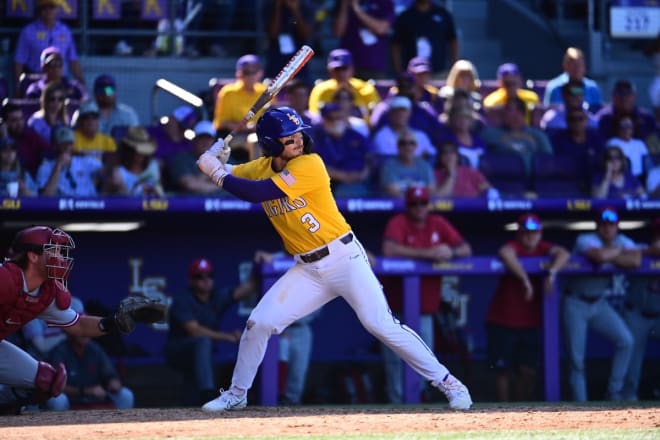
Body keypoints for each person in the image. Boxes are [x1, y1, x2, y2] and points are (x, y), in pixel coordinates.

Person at [195, 106, 472, 411]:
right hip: (307, 268)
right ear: (271, 143)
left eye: (298, 134)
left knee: (380, 323)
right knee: (259, 323)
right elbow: (235, 174)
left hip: (343, 258)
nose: (298, 141)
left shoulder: (310, 164)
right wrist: (216, 159)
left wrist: (216, 171)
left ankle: (449, 383)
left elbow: (253, 192)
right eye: (289, 138)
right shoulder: (261, 166)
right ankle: (237, 393)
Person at [0, 226, 155, 414]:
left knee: (47, 381)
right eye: (53, 251)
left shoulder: (46, 292)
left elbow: (79, 325)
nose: (61, 257)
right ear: (32, 256)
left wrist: (116, 321)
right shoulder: (5, 279)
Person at [379, 185, 472, 404]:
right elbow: (389, 250)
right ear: (407, 205)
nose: (419, 208)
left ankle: (419, 402)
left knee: (424, 358)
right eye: (414, 203)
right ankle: (396, 404)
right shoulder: (398, 222)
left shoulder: (438, 223)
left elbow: (466, 249)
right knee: (394, 361)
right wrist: (427, 254)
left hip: (425, 309)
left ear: (428, 204)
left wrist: (451, 251)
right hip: (395, 310)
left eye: (423, 203)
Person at [485, 213, 570, 402]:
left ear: (540, 233)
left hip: (530, 322)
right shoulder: (514, 247)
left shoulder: (544, 248)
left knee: (529, 372)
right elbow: (505, 253)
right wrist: (524, 279)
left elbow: (564, 253)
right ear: (519, 233)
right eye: (525, 233)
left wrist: (552, 272)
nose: (530, 237)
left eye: (534, 232)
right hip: (502, 319)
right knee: (502, 371)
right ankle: (502, 413)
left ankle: (521, 410)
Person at [563, 207, 638, 401]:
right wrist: (619, 254)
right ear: (597, 226)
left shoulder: (622, 241)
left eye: (611, 225)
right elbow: (599, 256)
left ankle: (614, 392)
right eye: (603, 224)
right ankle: (581, 404)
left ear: (617, 226)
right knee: (577, 360)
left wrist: (614, 253)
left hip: (599, 303)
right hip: (576, 302)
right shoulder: (585, 239)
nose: (607, 228)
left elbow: (636, 260)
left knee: (626, 340)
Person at [164, 257, 257, 406]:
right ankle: (207, 394)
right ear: (191, 280)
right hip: (178, 351)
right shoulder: (183, 299)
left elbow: (248, 288)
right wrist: (228, 337)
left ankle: (203, 398)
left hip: (203, 354)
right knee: (203, 342)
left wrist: (258, 266)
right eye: (200, 277)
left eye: (209, 275)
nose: (205, 280)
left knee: (204, 349)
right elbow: (194, 331)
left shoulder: (217, 296)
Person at [45, 299, 134, 411]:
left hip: (95, 397)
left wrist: (113, 382)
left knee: (125, 395)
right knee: (57, 399)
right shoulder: (60, 351)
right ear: (70, 331)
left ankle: (120, 427)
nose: (84, 334)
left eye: (87, 329)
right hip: (71, 399)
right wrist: (86, 391)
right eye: (81, 329)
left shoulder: (95, 349)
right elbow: (55, 387)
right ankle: (57, 428)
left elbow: (110, 374)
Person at [621, 218, 660, 400]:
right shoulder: (639, 248)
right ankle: (628, 399)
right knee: (632, 364)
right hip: (637, 314)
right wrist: (651, 251)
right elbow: (628, 255)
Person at [13, 0, 85, 94]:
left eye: (51, 7)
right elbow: (19, 62)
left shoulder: (65, 31)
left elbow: (73, 60)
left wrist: (81, 82)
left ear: (57, 9)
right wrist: (19, 87)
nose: (48, 11)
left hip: (60, 81)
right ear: (39, 10)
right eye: (44, 7)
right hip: (36, 80)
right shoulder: (28, 31)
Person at [309, 103, 374, 197]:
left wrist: (364, 173)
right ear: (324, 121)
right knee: (345, 191)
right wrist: (344, 176)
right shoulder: (318, 140)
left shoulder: (355, 136)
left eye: (338, 117)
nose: (335, 121)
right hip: (334, 183)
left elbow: (370, 157)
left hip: (362, 179)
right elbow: (318, 167)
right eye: (330, 118)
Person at [308, 48, 381, 121]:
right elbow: (314, 117)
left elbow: (376, 118)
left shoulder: (366, 89)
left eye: (344, 68)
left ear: (352, 69)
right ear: (329, 70)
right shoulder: (320, 89)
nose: (341, 73)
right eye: (337, 69)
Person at [390, 0, 458, 77]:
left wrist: (453, 66)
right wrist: (399, 72)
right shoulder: (406, 16)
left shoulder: (443, 14)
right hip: (413, 75)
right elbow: (396, 45)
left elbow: (453, 40)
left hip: (439, 72)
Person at [213, 54, 268, 148]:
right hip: (234, 136)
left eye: (254, 71)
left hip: (262, 134)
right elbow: (221, 123)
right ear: (238, 73)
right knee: (255, 141)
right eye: (246, 72)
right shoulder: (228, 92)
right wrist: (247, 128)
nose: (250, 75)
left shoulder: (265, 91)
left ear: (260, 73)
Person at [332, 0, 396, 80]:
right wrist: (344, 5)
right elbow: (338, 32)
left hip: (373, 65)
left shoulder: (384, 2)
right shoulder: (343, 3)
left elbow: (381, 28)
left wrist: (357, 9)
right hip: (346, 67)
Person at [35, 125, 104, 197]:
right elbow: (46, 196)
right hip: (62, 206)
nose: (67, 147)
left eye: (69, 143)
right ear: (55, 146)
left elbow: (107, 173)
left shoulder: (85, 161)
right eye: (63, 144)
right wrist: (58, 166)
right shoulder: (45, 167)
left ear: (73, 145)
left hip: (90, 204)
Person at [262, 0, 315, 85]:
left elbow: (306, 34)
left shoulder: (305, 6)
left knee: (300, 86)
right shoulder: (270, 6)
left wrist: (295, 10)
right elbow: (272, 33)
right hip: (276, 57)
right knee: (273, 87)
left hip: (298, 57)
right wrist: (277, 7)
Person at [167, 120, 223, 195]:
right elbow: (190, 185)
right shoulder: (182, 159)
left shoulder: (224, 158)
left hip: (225, 204)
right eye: (201, 138)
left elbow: (235, 183)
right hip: (190, 204)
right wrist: (220, 184)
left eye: (208, 138)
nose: (205, 142)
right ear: (194, 140)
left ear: (214, 141)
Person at [2, 100, 53, 179]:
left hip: (32, 180)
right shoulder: (2, 139)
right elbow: (9, 163)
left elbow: (49, 151)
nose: (19, 123)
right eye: (14, 120)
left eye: (21, 119)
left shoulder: (29, 134)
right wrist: (5, 137)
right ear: (5, 123)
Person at [542, 47, 603, 111]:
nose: (577, 68)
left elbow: (597, 113)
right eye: (573, 65)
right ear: (565, 66)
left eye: (579, 65)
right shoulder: (554, 87)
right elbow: (549, 113)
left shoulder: (593, 88)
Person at [380, 130, 436, 198]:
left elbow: (431, 191)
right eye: (403, 143)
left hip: (422, 205)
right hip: (399, 207)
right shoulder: (389, 166)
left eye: (411, 143)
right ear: (397, 146)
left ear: (416, 146)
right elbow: (394, 193)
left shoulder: (424, 165)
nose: (407, 146)